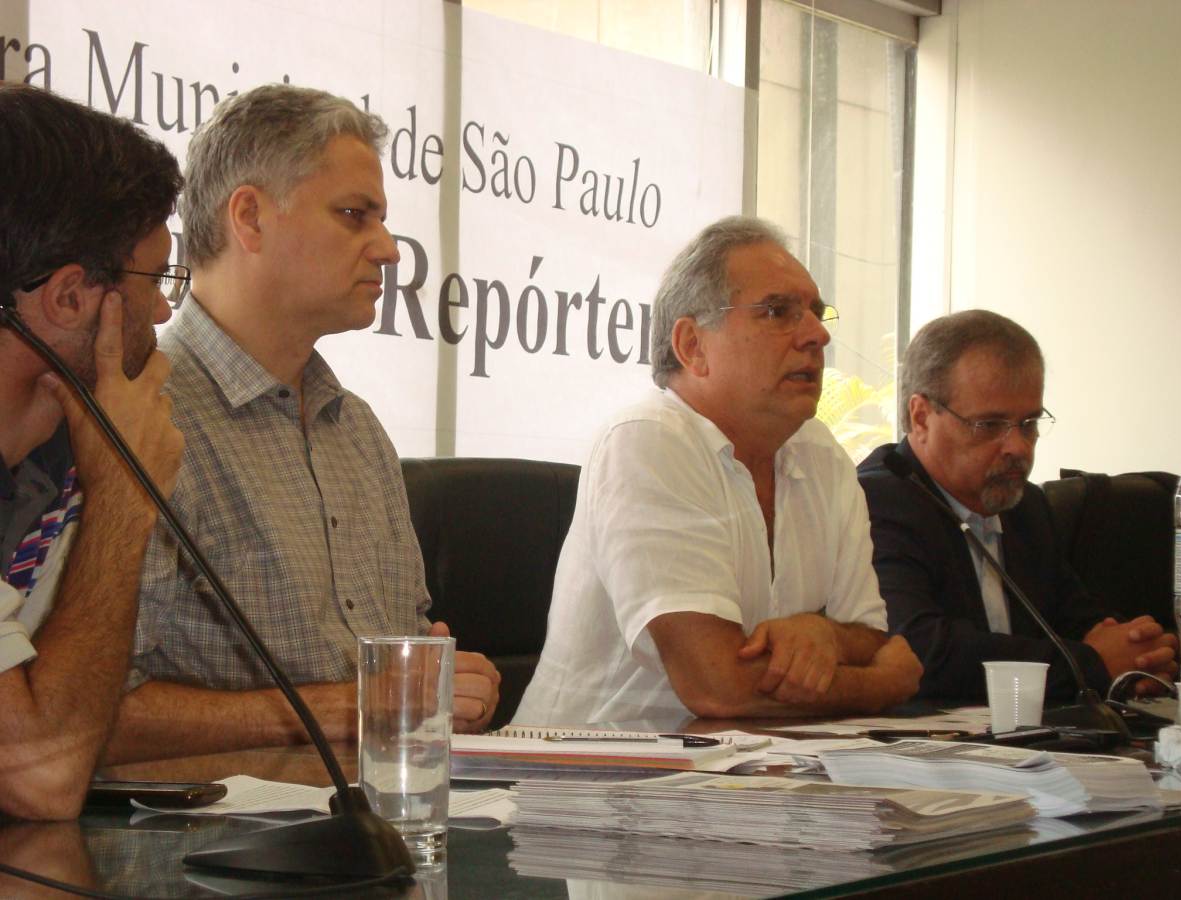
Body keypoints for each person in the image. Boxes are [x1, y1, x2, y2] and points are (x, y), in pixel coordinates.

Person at [105, 84, 500, 764]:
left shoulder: (359, 431)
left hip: (380, 809)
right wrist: (351, 708)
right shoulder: (137, 415)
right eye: (354, 215)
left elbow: (404, 669)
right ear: (251, 218)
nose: (389, 250)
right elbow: (84, 714)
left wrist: (448, 690)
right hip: (212, 831)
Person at [514, 216, 922, 726]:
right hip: (599, 765)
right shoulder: (648, 440)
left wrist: (827, 636)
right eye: (778, 311)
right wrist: (881, 686)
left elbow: (872, 639)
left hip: (759, 764)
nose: (817, 335)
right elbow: (718, 687)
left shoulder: (821, 454)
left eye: (817, 314)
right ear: (693, 346)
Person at [0, 84, 184, 818]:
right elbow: (41, 776)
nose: (165, 308)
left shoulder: (49, 462)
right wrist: (126, 499)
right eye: (156, 278)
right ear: (71, 297)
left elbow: (65, 729)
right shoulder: (97, 469)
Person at [857, 310, 1177, 700]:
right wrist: (1091, 664)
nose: (1018, 447)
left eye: (1029, 424)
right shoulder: (876, 502)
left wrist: (1139, 654)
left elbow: (1078, 621)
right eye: (990, 425)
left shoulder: (1025, 507)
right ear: (921, 417)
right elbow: (922, 651)